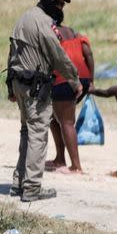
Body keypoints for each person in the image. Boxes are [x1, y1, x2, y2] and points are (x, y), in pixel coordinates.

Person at [7, 0, 82, 202]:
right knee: (38, 134)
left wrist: (10, 86)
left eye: (62, 4)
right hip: (35, 88)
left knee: (26, 133)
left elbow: (12, 51)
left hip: (20, 83)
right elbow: (57, 55)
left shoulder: (24, 18)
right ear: (48, 2)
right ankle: (32, 188)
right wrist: (74, 79)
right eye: (58, 3)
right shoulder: (42, 23)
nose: (60, 8)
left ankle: (18, 183)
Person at [46, 24, 94, 174]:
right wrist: (91, 80)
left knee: (66, 121)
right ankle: (60, 159)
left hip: (64, 80)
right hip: (84, 78)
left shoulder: (51, 33)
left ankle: (76, 166)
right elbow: (88, 53)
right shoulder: (76, 34)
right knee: (54, 117)